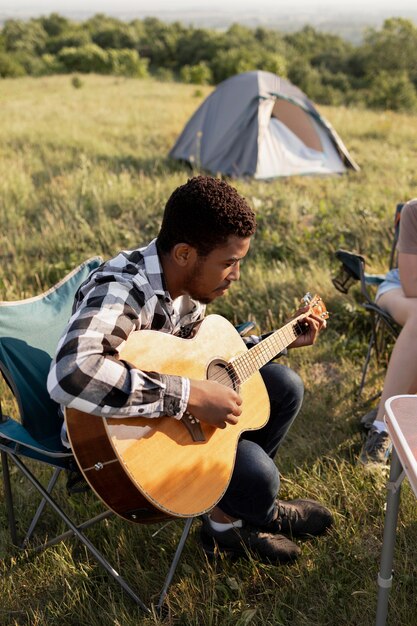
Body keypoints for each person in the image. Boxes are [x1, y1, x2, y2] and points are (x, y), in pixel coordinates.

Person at [47, 175, 332, 565]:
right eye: (228, 263)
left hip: (167, 416)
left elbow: (197, 358)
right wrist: (189, 396)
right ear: (184, 254)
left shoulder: (184, 287)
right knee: (259, 475)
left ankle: (224, 522)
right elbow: (73, 372)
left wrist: (281, 338)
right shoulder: (124, 290)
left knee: (284, 386)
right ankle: (260, 511)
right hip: (119, 439)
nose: (236, 275)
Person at [359, 198, 417, 465]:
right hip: (398, 290)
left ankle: (401, 412)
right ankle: (381, 432)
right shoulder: (414, 210)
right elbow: (411, 284)